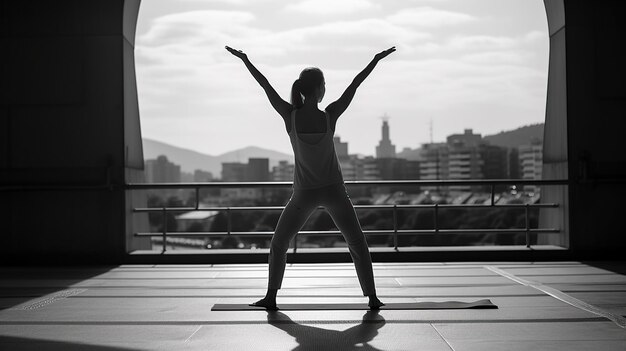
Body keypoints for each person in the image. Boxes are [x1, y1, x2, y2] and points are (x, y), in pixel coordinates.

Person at [225, 45, 396, 310]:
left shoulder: (290, 116)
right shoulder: (329, 116)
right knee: (357, 243)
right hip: (333, 192)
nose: (326, 88)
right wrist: (375, 61)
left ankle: (271, 297)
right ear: (318, 89)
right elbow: (354, 85)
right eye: (325, 84)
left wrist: (246, 60)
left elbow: (265, 86)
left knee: (279, 243)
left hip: (305, 193)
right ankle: (372, 298)